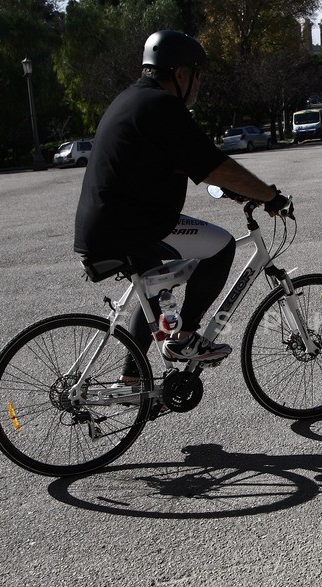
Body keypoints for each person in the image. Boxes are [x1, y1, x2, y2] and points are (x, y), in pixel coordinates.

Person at [74, 30, 287, 372]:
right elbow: (216, 165)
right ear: (181, 74)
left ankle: (133, 381)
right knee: (221, 247)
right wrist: (270, 195)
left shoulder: (131, 100)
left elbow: (189, 163)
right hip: (134, 223)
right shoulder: (163, 107)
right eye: (198, 76)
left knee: (154, 292)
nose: (199, 85)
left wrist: (236, 190)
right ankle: (186, 337)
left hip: (105, 224)